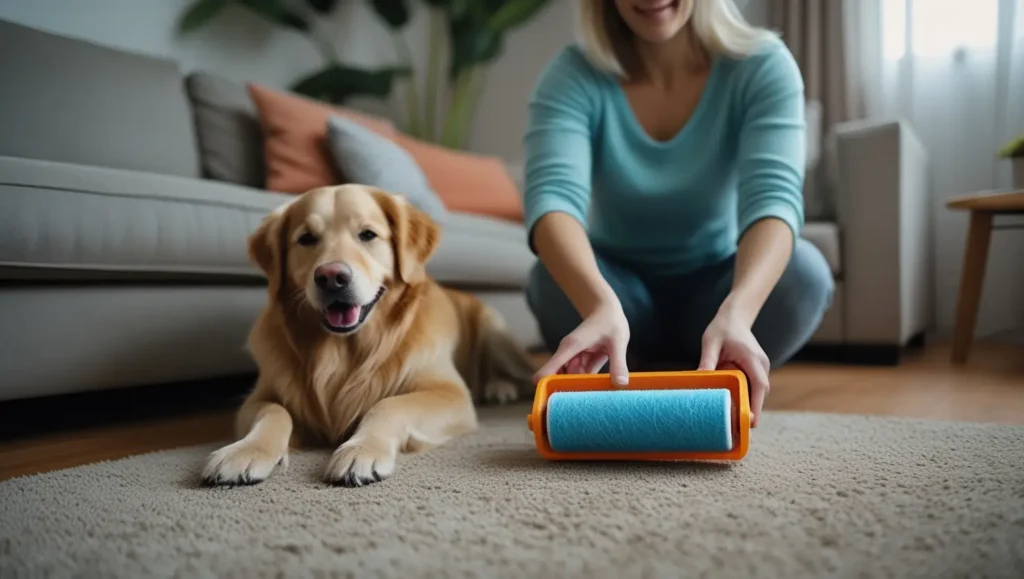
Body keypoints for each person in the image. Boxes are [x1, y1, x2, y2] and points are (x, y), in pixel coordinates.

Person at [522, 0, 835, 427]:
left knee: (805, 275)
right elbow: (553, 198)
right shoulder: (573, 74)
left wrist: (739, 311)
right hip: (619, 291)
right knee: (551, 280)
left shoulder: (762, 65)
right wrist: (598, 303)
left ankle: (712, 350)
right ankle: (639, 361)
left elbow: (773, 200)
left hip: (716, 287)